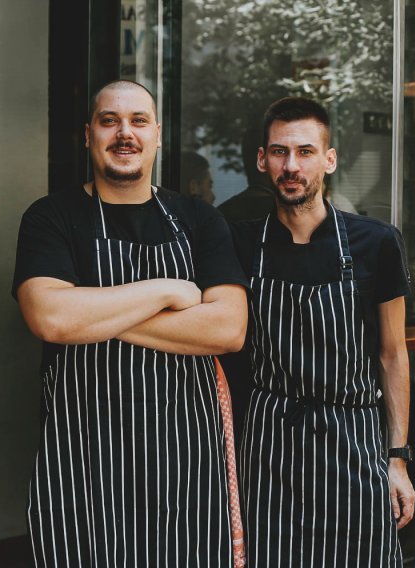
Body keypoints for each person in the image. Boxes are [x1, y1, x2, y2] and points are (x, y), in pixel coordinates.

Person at [13, 80, 248, 566]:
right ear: (88, 134)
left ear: (157, 135)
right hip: (82, 462)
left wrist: (92, 316)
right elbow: (49, 317)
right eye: (109, 121)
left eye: (139, 121)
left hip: (185, 463)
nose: (125, 133)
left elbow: (227, 329)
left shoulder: (200, 221)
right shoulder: (51, 217)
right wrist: (166, 293)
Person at [233, 97, 415, 566]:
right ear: (261, 159)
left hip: (352, 440)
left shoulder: (375, 242)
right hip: (268, 445)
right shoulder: (241, 242)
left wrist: (397, 458)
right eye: (279, 152)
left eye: (305, 152)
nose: (291, 166)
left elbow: (392, 354)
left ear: (329, 160)